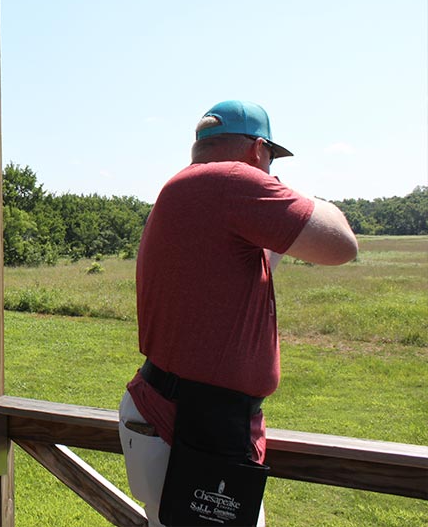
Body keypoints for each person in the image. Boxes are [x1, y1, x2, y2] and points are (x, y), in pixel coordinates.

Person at [118, 100, 358, 527]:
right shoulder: (232, 180)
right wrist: (299, 197)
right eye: (269, 162)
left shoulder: (186, 190)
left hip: (179, 413)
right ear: (257, 150)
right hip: (197, 425)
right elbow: (341, 244)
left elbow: (259, 263)